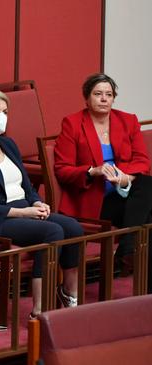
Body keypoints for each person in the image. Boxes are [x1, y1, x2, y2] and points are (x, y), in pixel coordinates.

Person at [0, 87, 82, 317]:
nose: (1, 116)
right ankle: (40, 311)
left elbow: (26, 185)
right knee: (52, 232)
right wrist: (22, 213)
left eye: (4, 111)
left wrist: (36, 203)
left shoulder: (8, 144)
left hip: (24, 209)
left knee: (73, 227)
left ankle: (68, 293)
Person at [54, 73, 152, 284]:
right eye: (98, 94)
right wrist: (93, 171)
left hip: (125, 195)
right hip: (94, 201)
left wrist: (125, 178)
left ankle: (127, 247)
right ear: (87, 98)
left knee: (146, 184)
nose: (104, 99)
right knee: (149, 214)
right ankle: (133, 261)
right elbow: (62, 169)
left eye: (109, 94)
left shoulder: (127, 120)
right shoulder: (72, 124)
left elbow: (143, 161)